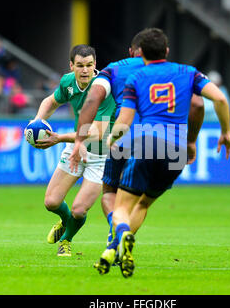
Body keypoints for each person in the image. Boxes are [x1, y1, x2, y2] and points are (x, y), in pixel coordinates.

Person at [94, 28, 230, 277]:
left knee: (121, 205)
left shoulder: (135, 78)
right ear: (167, 51)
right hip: (177, 149)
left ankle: (120, 237)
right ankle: (119, 247)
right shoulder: (187, 72)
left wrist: (112, 139)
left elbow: (125, 120)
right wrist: (224, 133)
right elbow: (215, 101)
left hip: (147, 143)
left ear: (141, 54)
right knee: (145, 202)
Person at [68, 30, 205, 252]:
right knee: (140, 201)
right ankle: (121, 240)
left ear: (131, 51)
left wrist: (79, 140)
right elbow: (197, 105)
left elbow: (93, 98)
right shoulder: (175, 72)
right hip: (168, 144)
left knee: (111, 194)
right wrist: (191, 141)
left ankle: (117, 230)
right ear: (161, 51)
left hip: (125, 140)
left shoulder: (113, 69)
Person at [28, 44, 116, 257]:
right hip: (76, 147)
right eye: (80, 65)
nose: (85, 70)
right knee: (51, 202)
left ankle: (66, 239)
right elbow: (51, 101)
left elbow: (96, 131)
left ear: (95, 65)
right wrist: (38, 120)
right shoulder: (67, 82)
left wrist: (59, 138)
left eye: (89, 65)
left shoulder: (104, 89)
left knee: (78, 209)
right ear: (71, 66)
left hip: (101, 155)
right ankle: (65, 222)